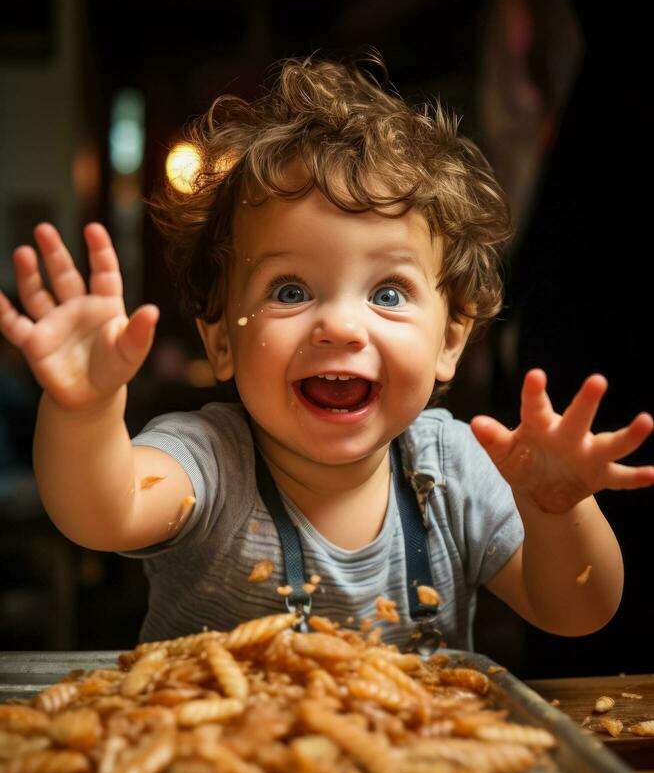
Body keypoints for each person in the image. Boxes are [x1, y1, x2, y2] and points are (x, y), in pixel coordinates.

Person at [0, 54, 652, 650]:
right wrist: (84, 410)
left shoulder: (455, 471)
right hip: (210, 770)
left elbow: (576, 611)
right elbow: (100, 512)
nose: (340, 326)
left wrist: (556, 509)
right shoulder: (208, 462)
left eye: (389, 293)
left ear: (449, 339)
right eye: (290, 289)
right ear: (221, 339)